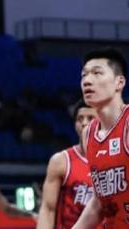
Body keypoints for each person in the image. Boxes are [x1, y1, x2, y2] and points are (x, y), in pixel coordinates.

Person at [73, 48, 129, 228]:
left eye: (97, 73)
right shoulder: (88, 134)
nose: (87, 81)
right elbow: (99, 202)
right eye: (84, 75)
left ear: (119, 82)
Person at [37, 101, 97, 229]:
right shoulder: (61, 161)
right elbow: (48, 209)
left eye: (90, 118)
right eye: (80, 119)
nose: (84, 123)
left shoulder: (114, 160)